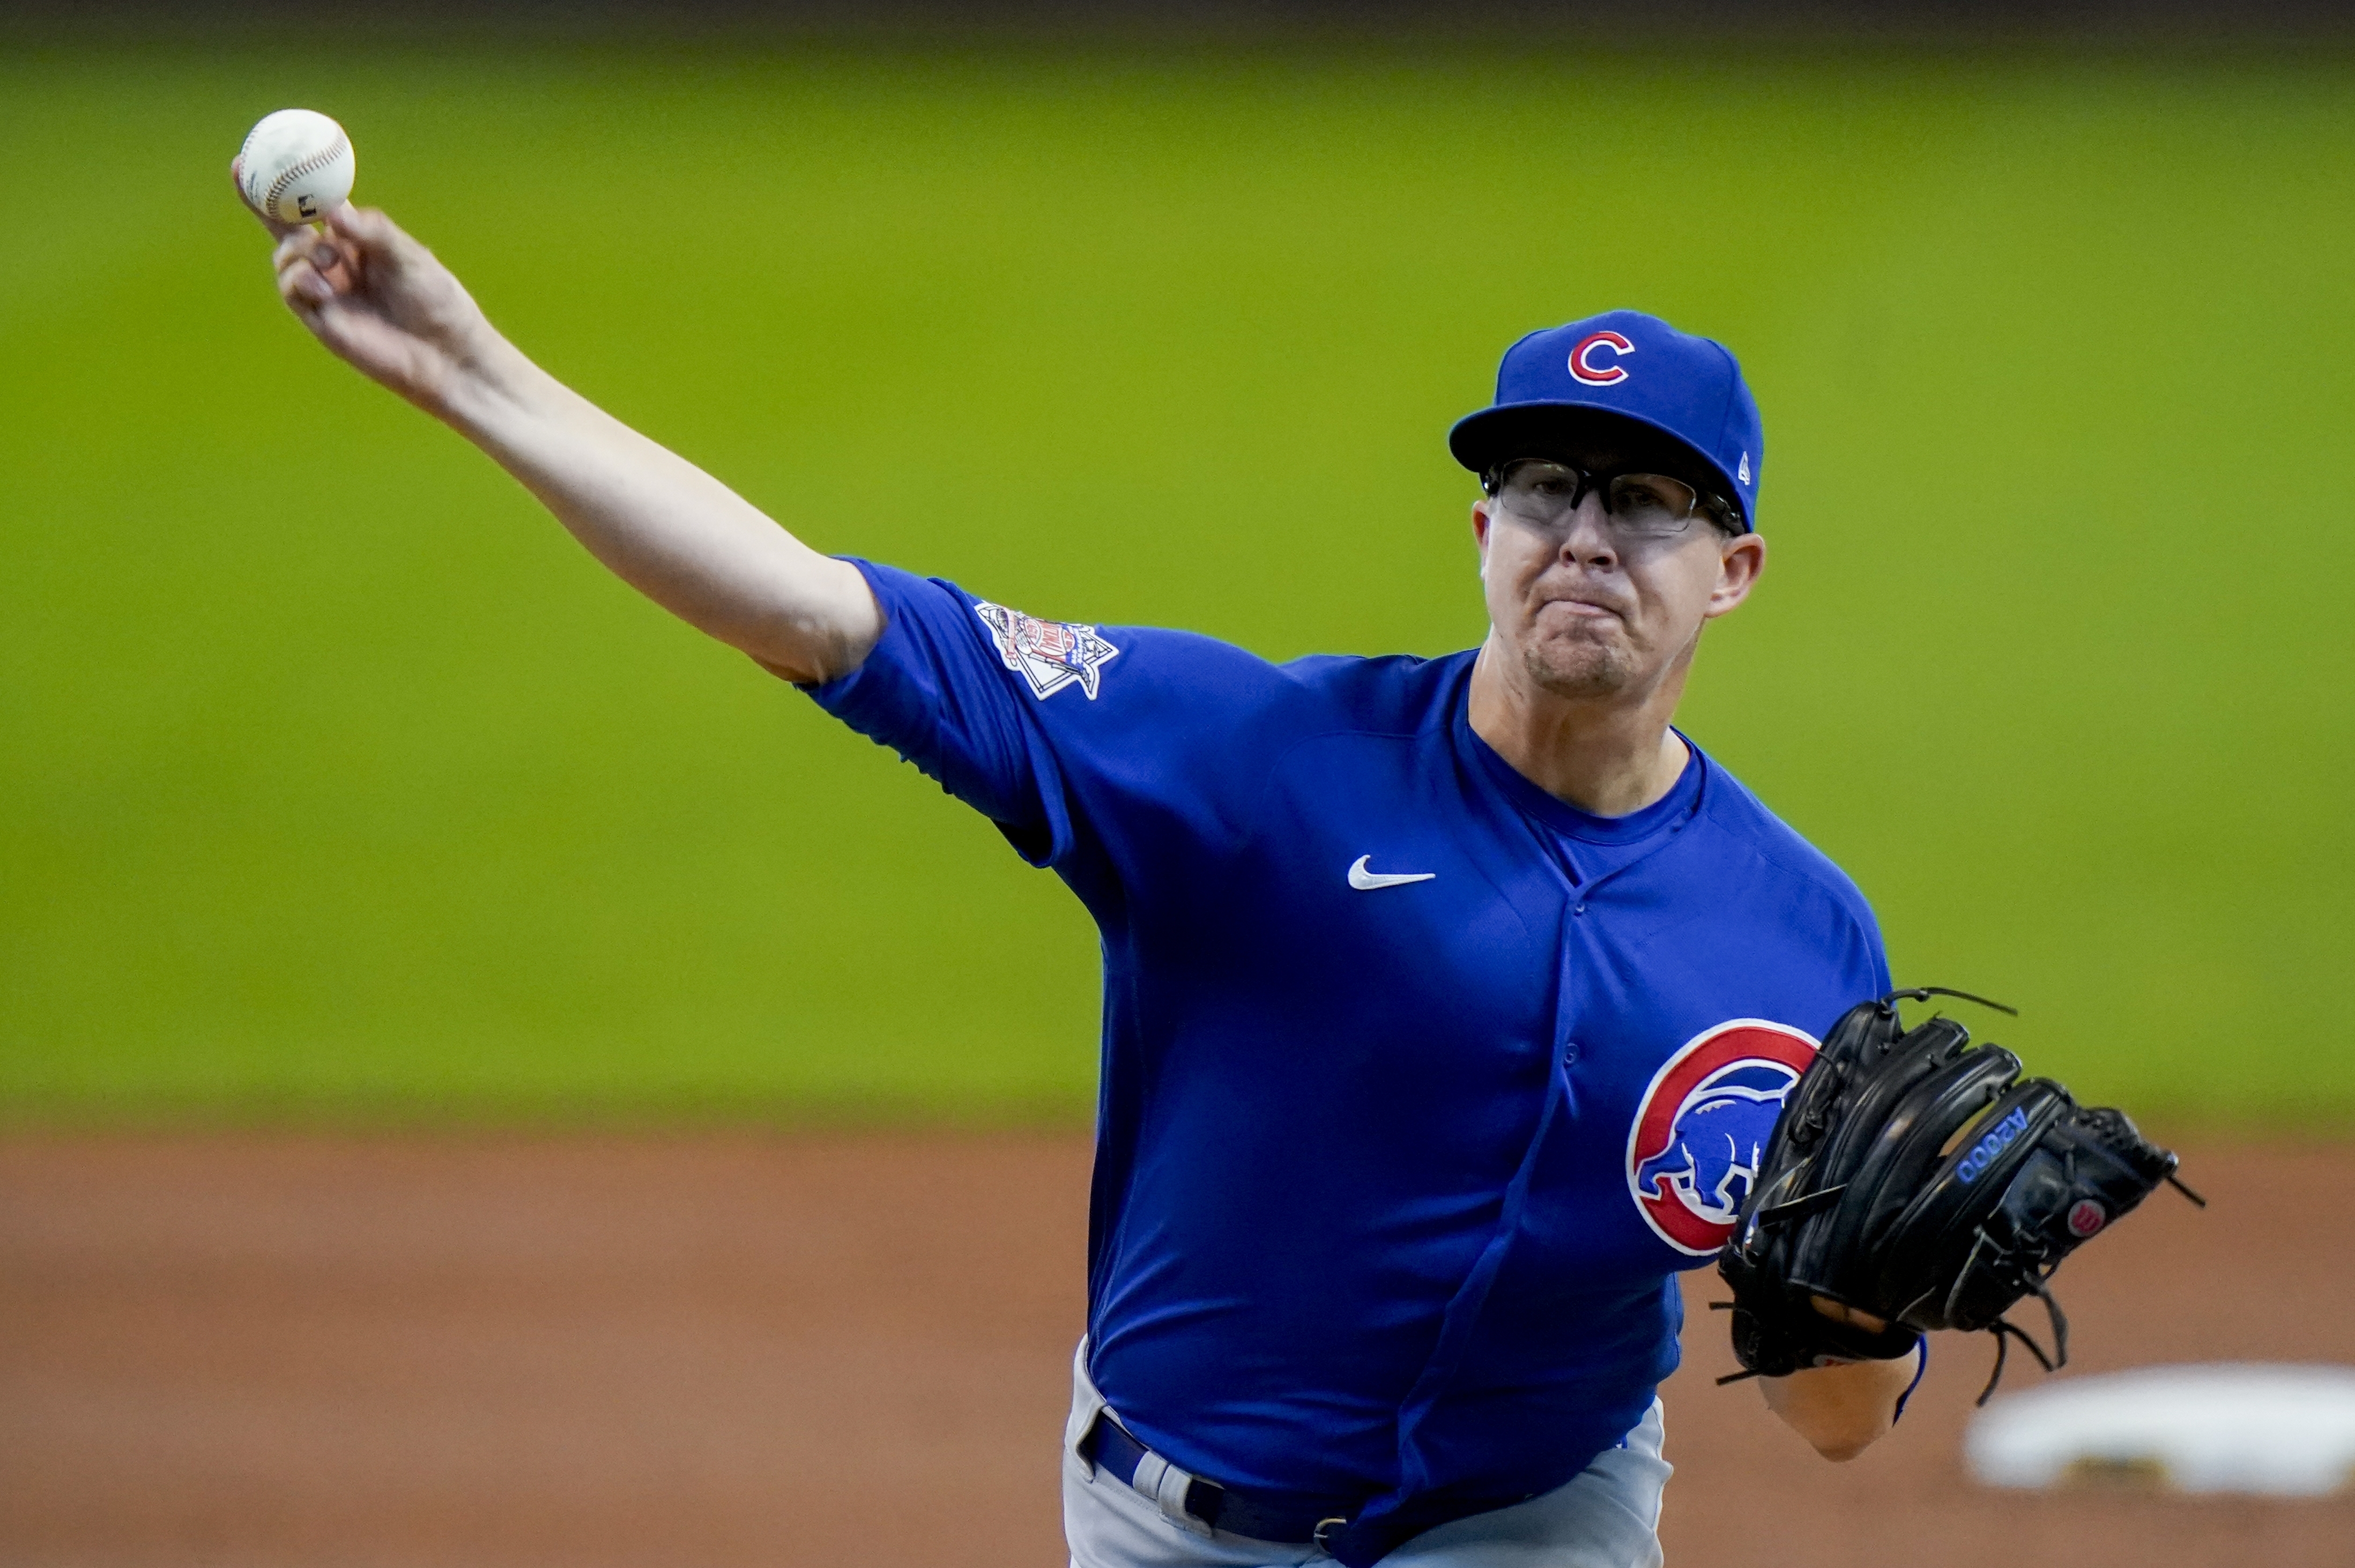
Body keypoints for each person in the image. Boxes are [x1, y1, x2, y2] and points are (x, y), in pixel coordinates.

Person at [246, 194, 1927, 1568]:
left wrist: (1857, 1310)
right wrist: (474, 372)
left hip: (1538, 1527)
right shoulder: (1245, 758)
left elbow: (1835, 1422)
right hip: (1174, 1534)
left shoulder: (1796, 934)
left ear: (1734, 572)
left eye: (1642, 502)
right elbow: (815, 614)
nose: (1580, 535)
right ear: (1477, 534)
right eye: (1541, 486)